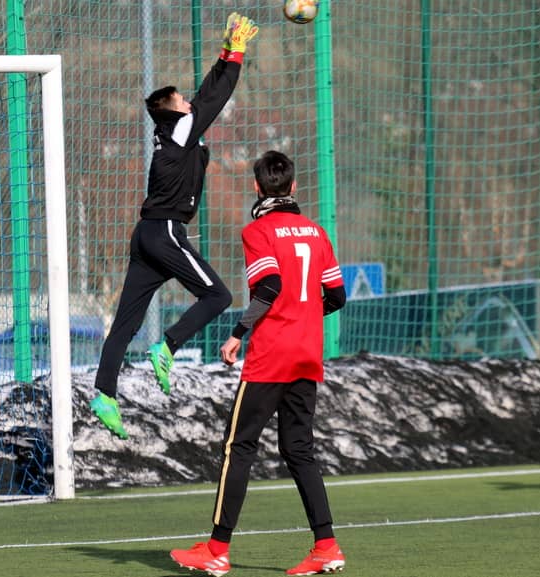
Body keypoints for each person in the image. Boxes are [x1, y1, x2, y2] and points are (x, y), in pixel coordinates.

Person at [170, 151, 348, 576]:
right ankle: (326, 546)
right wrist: (306, 315)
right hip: (307, 354)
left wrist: (238, 332)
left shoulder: (258, 231)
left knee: (239, 447)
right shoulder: (316, 232)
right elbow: (337, 296)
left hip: (272, 356)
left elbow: (269, 285)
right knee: (299, 449)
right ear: (294, 186)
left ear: (256, 187)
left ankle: (217, 549)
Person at [89, 13, 260, 439]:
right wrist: (237, 55)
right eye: (183, 100)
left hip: (147, 235)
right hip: (165, 232)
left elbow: (204, 94)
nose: (190, 102)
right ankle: (167, 346)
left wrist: (226, 52)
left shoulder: (174, 130)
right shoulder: (181, 127)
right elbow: (214, 98)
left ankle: (104, 395)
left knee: (125, 322)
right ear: (175, 110)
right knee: (219, 295)